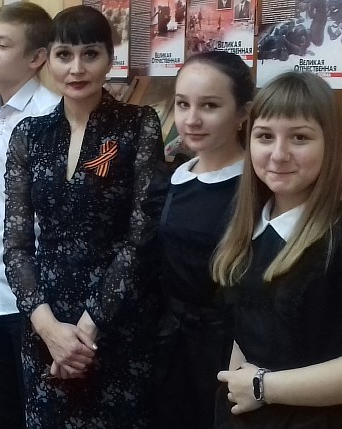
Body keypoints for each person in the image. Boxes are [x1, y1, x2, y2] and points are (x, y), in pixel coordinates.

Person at [4, 6, 164, 428]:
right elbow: (16, 245)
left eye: (90, 54)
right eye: (64, 55)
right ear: (48, 59)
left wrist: (88, 331)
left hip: (117, 321)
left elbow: (143, 237)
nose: (76, 68)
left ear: (110, 58)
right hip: (47, 321)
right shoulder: (28, 135)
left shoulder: (138, 125)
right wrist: (47, 328)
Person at [212, 71, 342, 428]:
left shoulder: (335, 238)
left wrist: (262, 387)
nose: (279, 154)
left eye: (300, 137)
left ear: (330, 143)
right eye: (265, 136)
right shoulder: (245, 224)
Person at [153, 51, 254, 429]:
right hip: (169, 345)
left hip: (225, 353)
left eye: (209, 106)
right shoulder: (175, 176)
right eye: (183, 104)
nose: (191, 119)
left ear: (242, 113)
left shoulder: (255, 186)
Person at [0, 3, 60, 428]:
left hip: (35, 297)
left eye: (3, 44)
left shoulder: (51, 115)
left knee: (39, 414)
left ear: (36, 57)